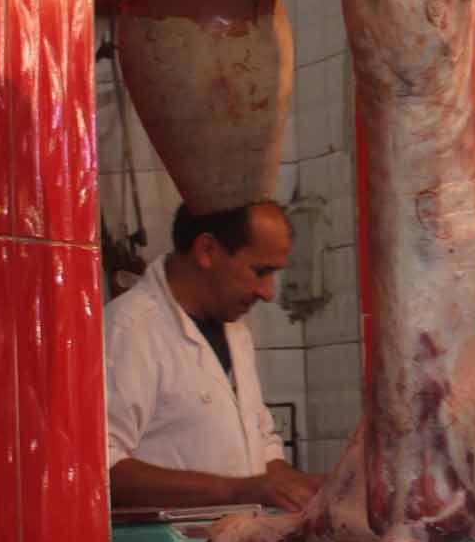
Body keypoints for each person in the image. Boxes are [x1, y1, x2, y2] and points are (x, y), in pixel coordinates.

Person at [106, 199, 321, 512]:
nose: (268, 292)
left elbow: (263, 453)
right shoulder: (129, 330)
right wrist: (239, 491)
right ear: (207, 251)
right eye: (260, 271)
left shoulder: (237, 331)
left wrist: (311, 487)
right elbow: (101, 471)